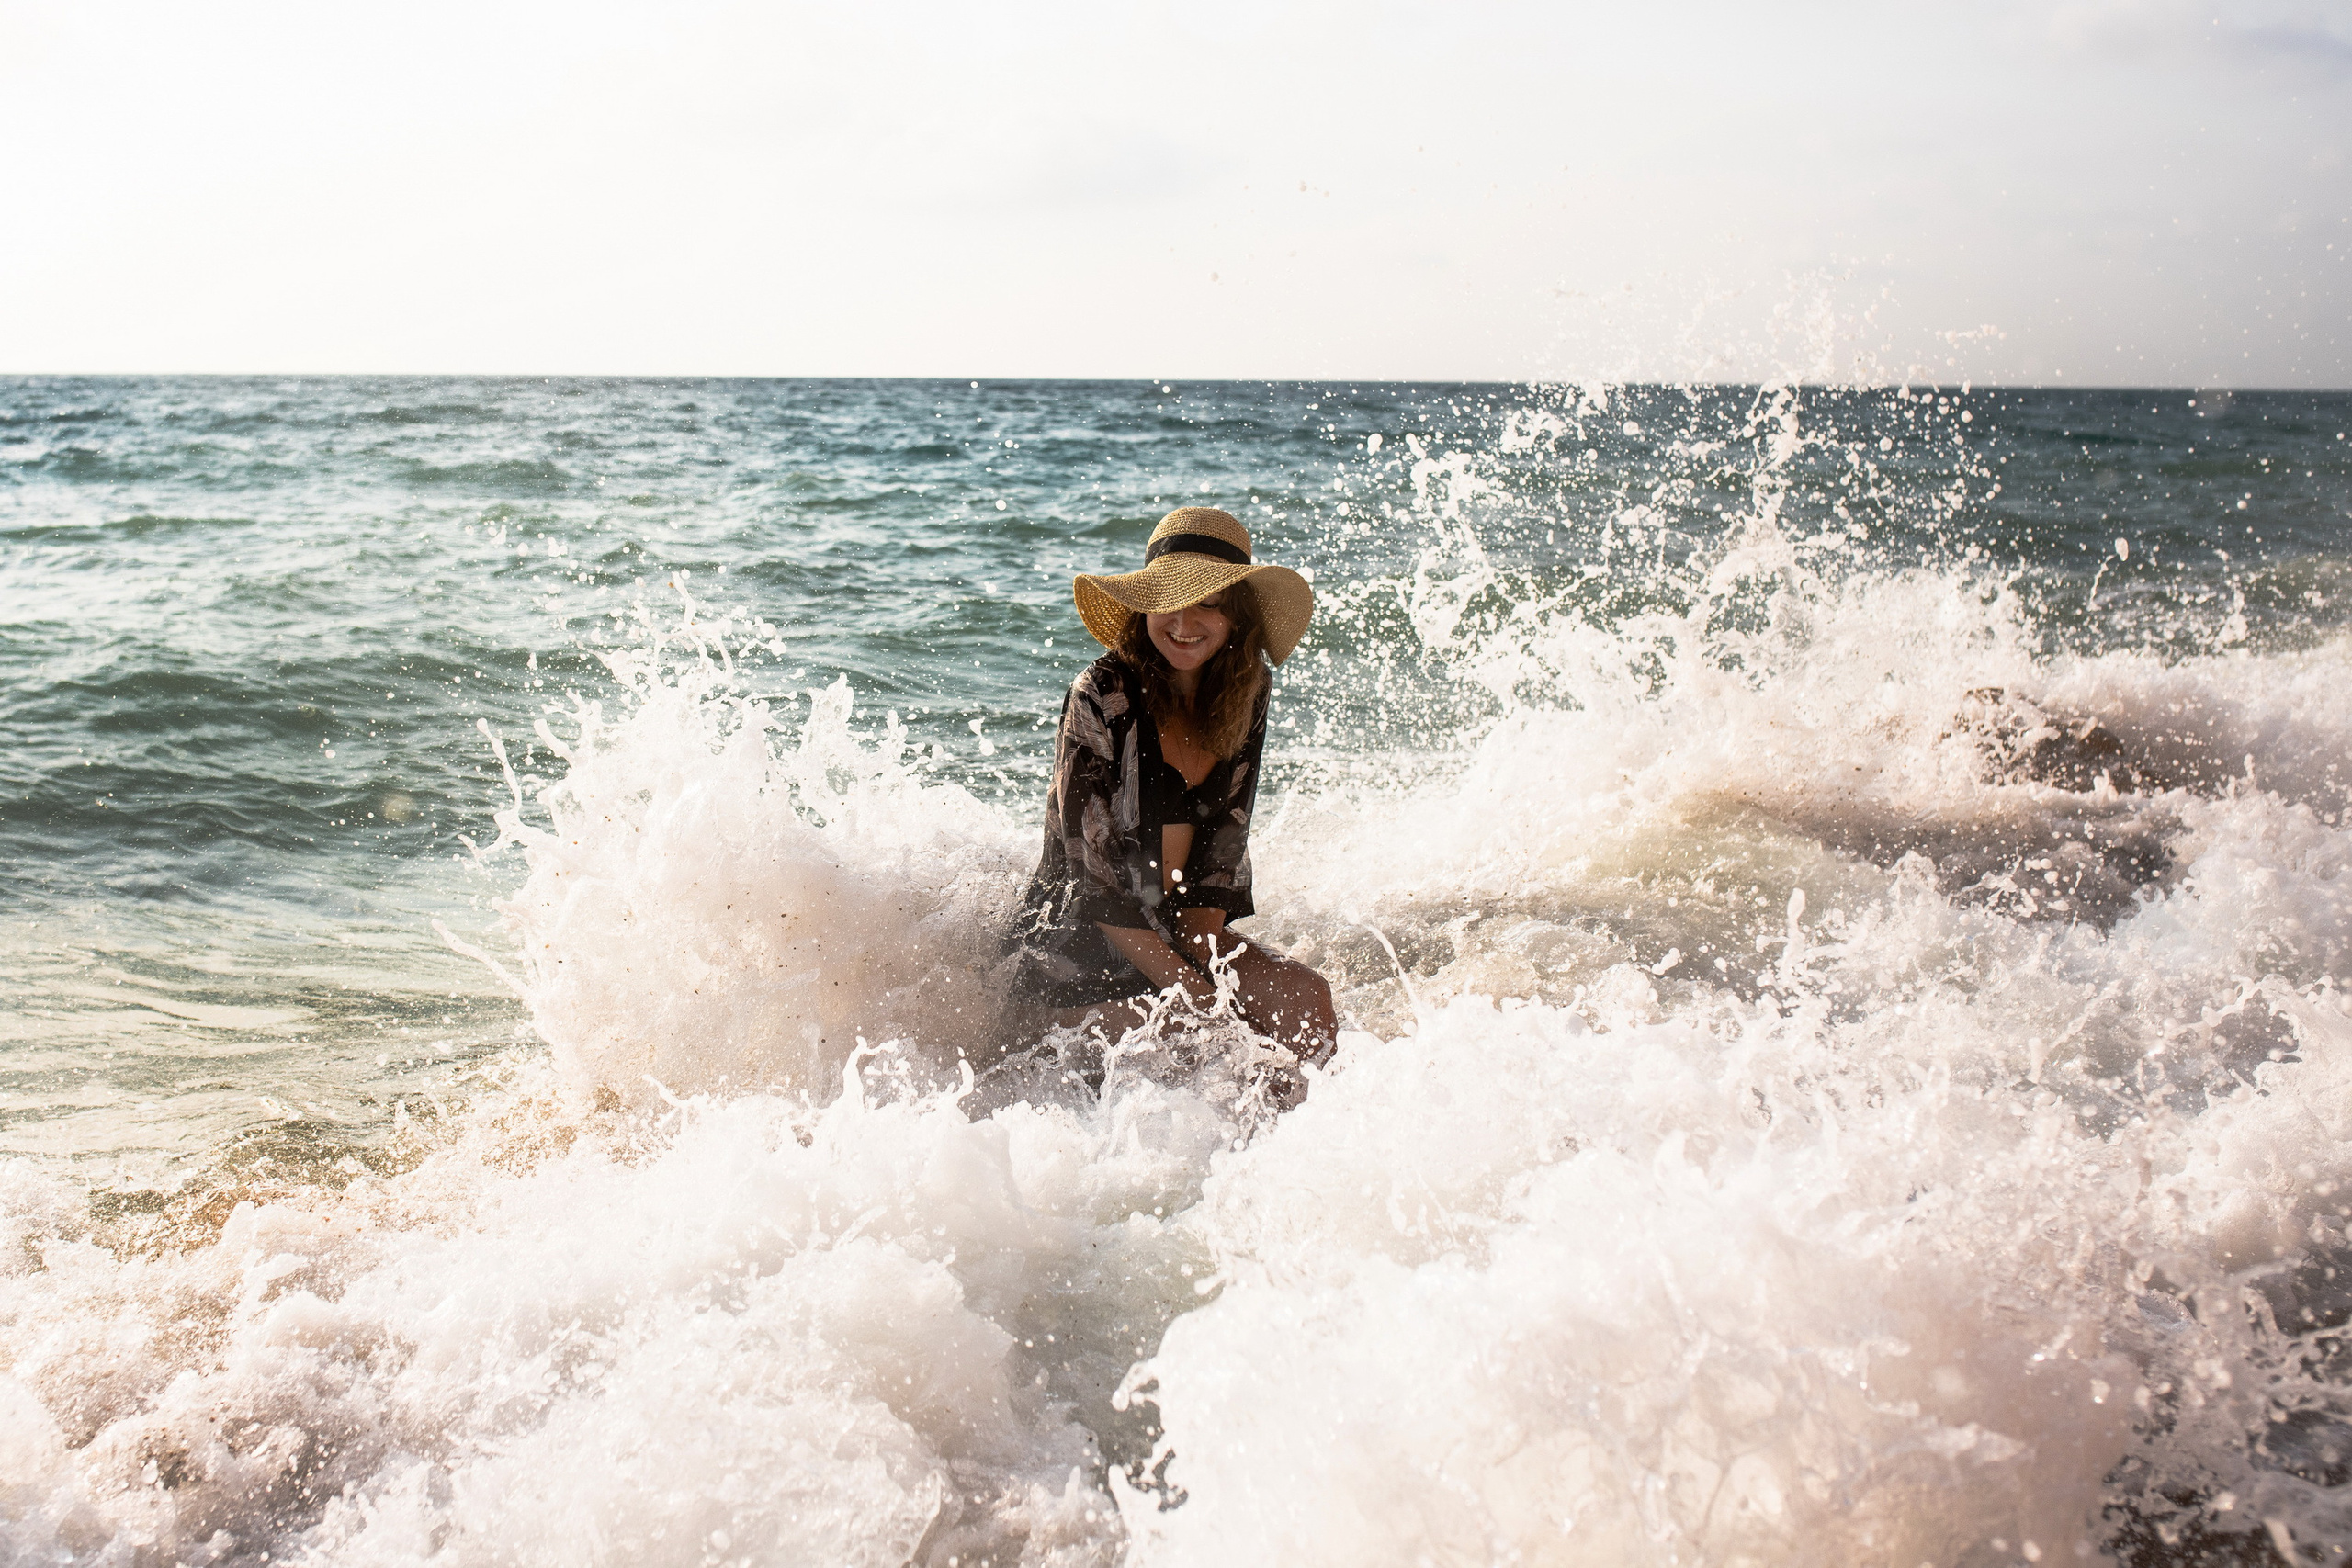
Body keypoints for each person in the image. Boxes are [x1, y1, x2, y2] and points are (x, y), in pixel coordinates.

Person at [1006, 506, 1337, 1085]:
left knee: (1307, 1004)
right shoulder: (1100, 697)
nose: (1186, 621)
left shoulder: (1246, 694)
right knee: (1196, 1040)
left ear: (1236, 616)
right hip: (1076, 948)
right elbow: (1097, 888)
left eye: (1207, 601)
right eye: (1169, 598)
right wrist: (1201, 1002)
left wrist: (1213, 976)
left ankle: (1293, 1161)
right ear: (1146, 606)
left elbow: (1216, 866)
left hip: (1173, 933)